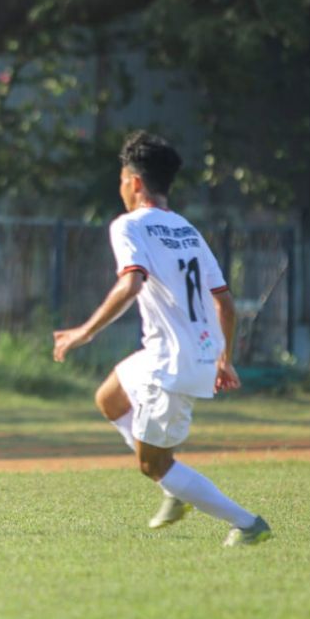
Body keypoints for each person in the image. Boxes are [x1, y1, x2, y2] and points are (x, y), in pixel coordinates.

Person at [52, 131, 270, 547]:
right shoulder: (188, 230)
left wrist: (83, 332)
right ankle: (174, 487)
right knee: (110, 398)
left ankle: (246, 524)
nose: (120, 187)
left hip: (170, 366)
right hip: (185, 355)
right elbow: (225, 303)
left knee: (154, 465)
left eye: (121, 179)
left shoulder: (129, 225)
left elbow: (131, 284)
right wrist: (223, 359)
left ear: (134, 182)